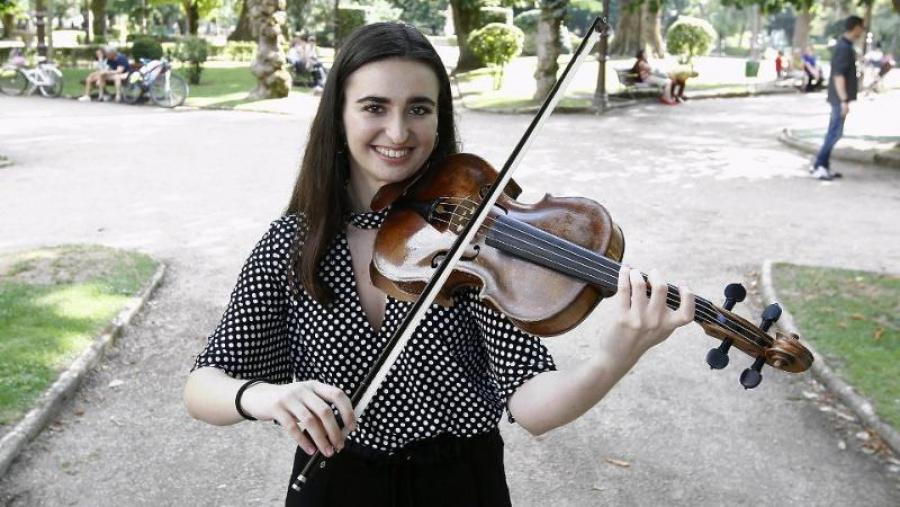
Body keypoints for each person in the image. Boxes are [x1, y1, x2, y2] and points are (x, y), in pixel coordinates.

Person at [182, 22, 695, 506]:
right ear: (338, 115)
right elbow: (203, 386)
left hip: (461, 484)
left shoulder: (473, 239)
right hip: (337, 487)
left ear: (439, 118)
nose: (399, 131)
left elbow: (532, 404)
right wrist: (266, 397)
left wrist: (616, 355)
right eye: (375, 107)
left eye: (419, 109)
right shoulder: (297, 243)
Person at [811, 15, 866, 181]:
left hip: (839, 97)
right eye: (861, 27)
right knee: (835, 133)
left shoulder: (845, 46)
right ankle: (819, 165)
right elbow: (838, 76)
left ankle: (824, 165)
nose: (862, 31)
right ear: (855, 27)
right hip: (838, 98)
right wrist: (843, 100)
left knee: (833, 132)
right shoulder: (844, 48)